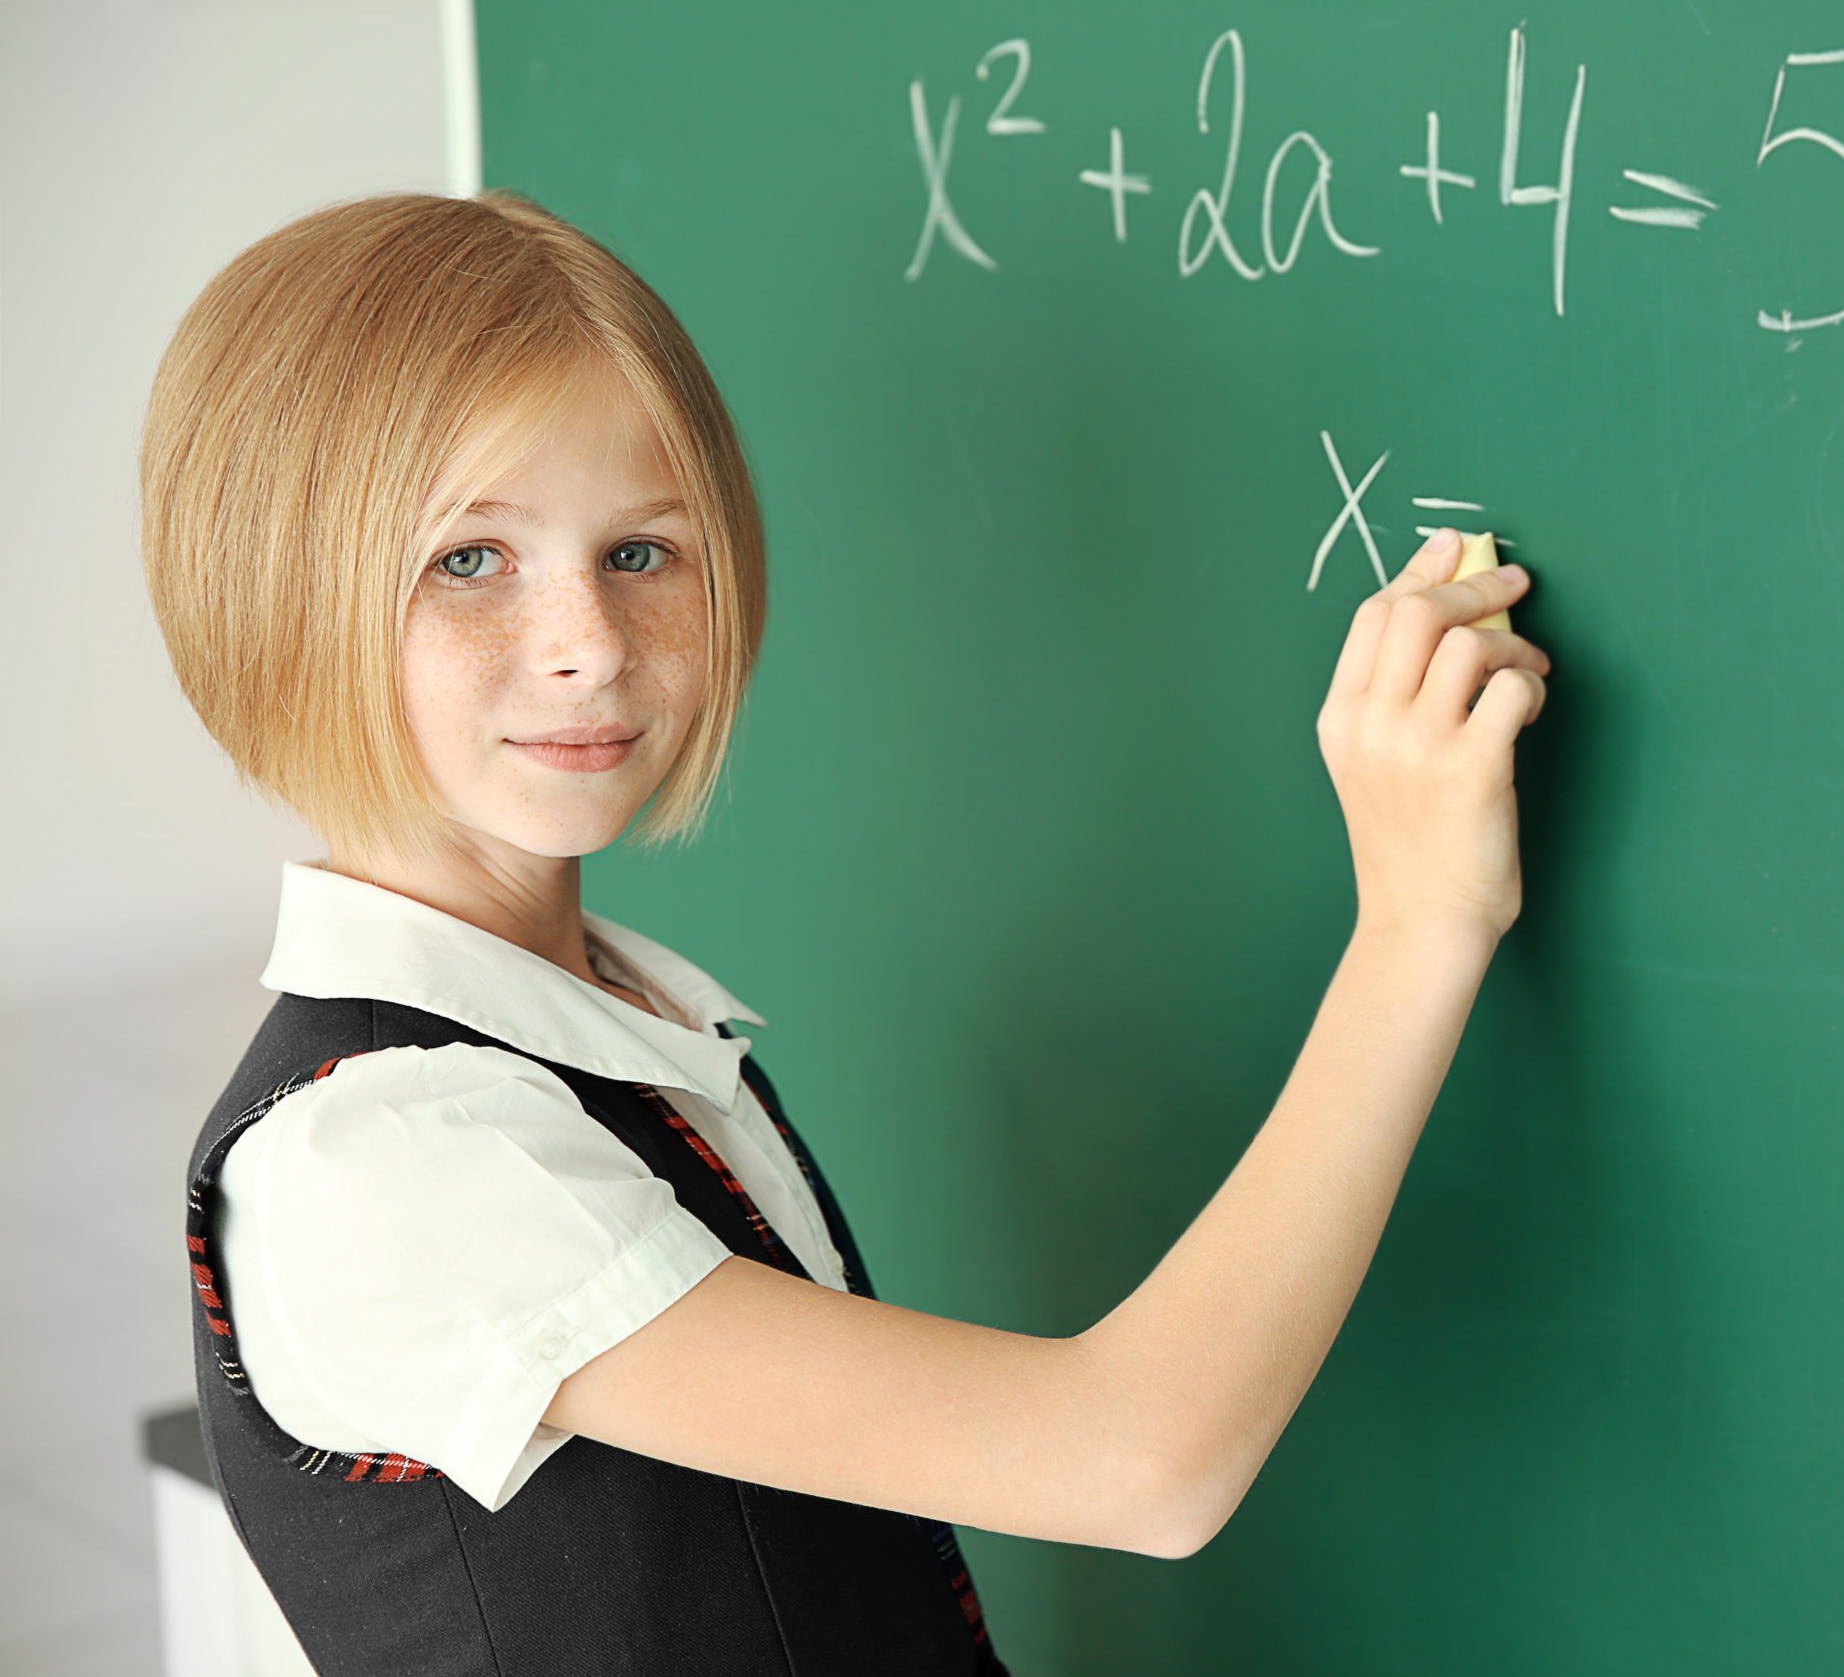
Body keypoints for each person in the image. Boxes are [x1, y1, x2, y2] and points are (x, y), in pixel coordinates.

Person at [147, 191, 1551, 1675]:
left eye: (641, 553)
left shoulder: (607, 1021)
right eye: (470, 561)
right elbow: (1140, 1461)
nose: (588, 644)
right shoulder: (396, 1156)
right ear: (276, 590)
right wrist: (1418, 917)